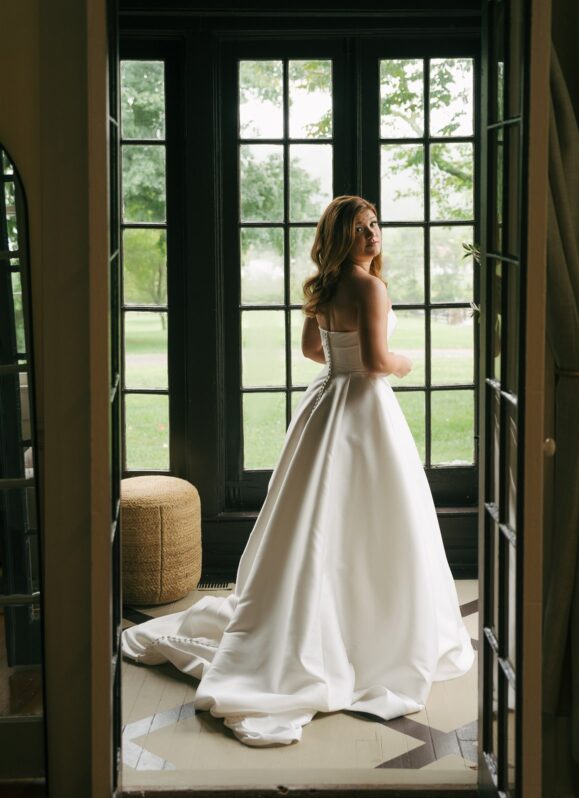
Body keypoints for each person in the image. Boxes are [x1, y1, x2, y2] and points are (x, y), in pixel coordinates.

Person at [122, 195, 474, 747]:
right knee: (376, 517)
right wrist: (403, 362)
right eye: (362, 229)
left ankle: (312, 618)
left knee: (316, 517)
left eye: (375, 225)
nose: (373, 235)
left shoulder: (326, 287)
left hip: (327, 402)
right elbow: (381, 361)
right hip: (364, 404)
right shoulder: (370, 287)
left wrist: (344, 360)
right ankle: (373, 629)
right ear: (342, 237)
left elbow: (314, 350)